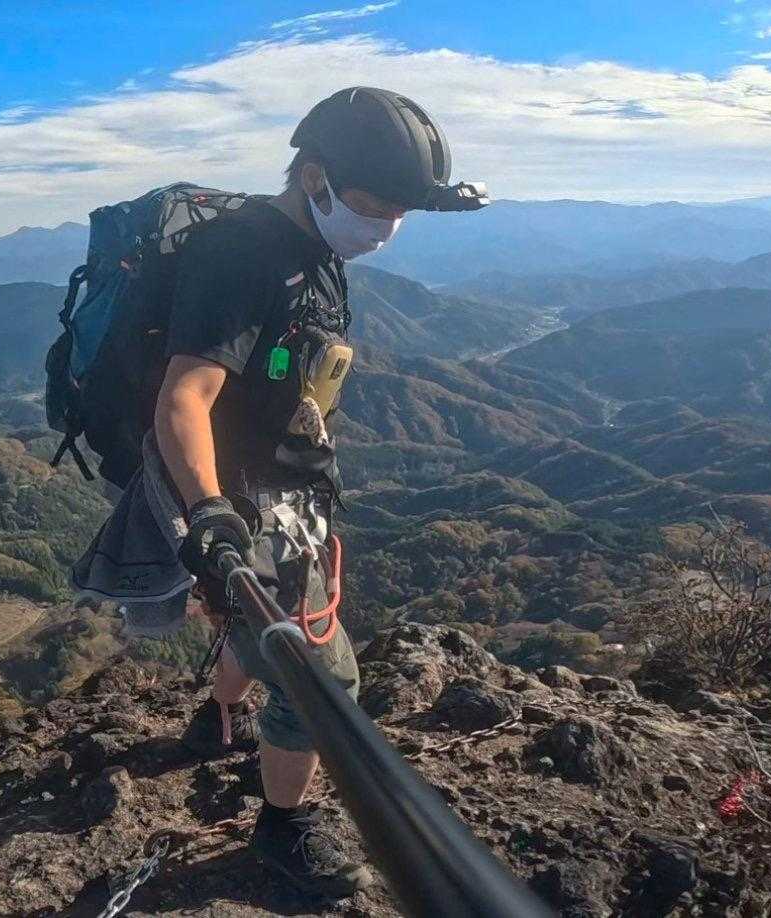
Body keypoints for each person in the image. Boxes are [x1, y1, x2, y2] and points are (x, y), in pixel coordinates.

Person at [157, 86, 478, 899]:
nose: (385, 227)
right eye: (374, 206)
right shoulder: (242, 256)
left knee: (251, 621)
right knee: (324, 679)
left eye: (401, 212)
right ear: (312, 176)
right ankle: (283, 826)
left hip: (293, 488)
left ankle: (214, 720)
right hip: (244, 499)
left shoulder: (312, 242)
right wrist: (210, 513)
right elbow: (184, 395)